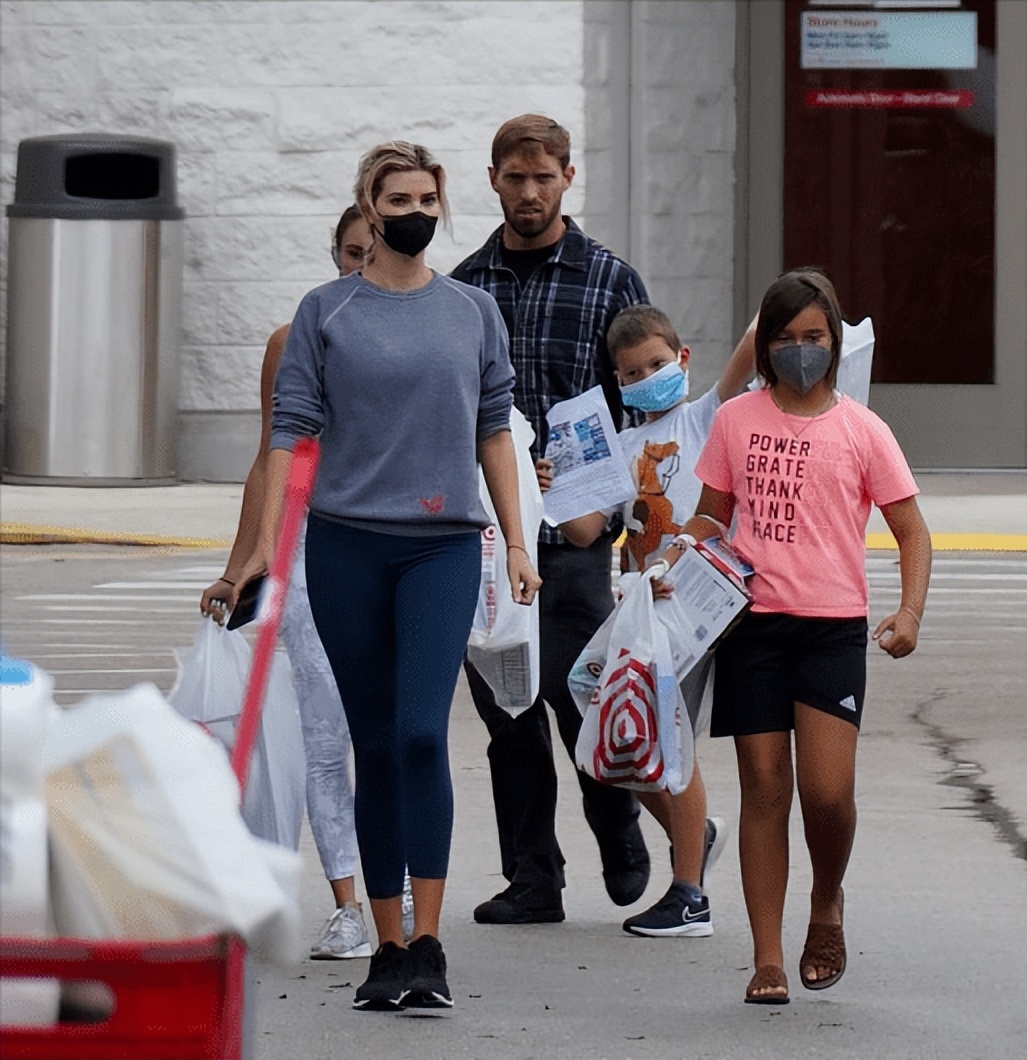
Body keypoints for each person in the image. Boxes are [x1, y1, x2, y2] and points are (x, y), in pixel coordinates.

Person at [243, 140, 540, 1011]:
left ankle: (432, 944)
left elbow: (495, 427)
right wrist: (263, 550)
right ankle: (388, 947)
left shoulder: (472, 310)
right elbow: (289, 437)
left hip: (442, 545)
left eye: (426, 196)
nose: (414, 209)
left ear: (439, 205)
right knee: (375, 746)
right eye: (396, 196)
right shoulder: (324, 313)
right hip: (344, 547)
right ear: (367, 209)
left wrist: (516, 541)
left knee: (419, 735)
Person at [666, 268, 932, 1004]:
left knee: (826, 793)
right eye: (784, 338)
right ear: (765, 347)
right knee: (763, 789)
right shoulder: (736, 420)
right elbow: (712, 515)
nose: (799, 350)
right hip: (750, 625)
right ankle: (767, 958)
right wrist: (671, 554)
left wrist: (908, 613)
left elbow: (911, 530)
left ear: (836, 341)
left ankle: (826, 899)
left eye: (813, 337)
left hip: (831, 632)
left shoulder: (863, 429)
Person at [452, 114, 652, 925]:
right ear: (494, 180)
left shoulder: (610, 280)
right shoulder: (465, 287)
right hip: (491, 536)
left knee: (583, 696)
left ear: (569, 177)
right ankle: (534, 876)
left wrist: (613, 506)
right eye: (514, 178)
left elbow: (643, 402)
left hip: (577, 534)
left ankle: (619, 826)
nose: (529, 192)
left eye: (544, 177)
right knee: (508, 711)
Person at [201, 205, 395, 961]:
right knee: (323, 730)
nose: (360, 267)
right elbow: (268, 457)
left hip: (395, 543)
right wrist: (241, 562)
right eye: (351, 253)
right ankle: (348, 900)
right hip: (311, 548)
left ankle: (399, 883)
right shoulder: (295, 340)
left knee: (391, 729)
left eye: (372, 253)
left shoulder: (427, 326)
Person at [538, 305, 757, 936]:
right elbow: (583, 528)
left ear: (683, 360)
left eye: (659, 364)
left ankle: (689, 893)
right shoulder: (621, 450)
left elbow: (750, 341)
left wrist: (787, 301)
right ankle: (696, 836)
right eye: (633, 372)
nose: (647, 378)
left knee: (667, 733)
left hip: (696, 604)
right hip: (642, 606)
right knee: (612, 727)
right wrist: (551, 482)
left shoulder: (708, 416)